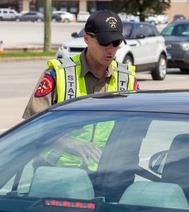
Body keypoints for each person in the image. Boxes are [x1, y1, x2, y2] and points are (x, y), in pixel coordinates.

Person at [23, 9, 139, 171]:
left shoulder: (127, 78)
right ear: (86, 39)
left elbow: (136, 131)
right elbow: (32, 126)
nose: (110, 49)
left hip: (110, 173)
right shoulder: (58, 74)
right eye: (104, 42)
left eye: (116, 43)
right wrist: (67, 144)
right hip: (57, 171)